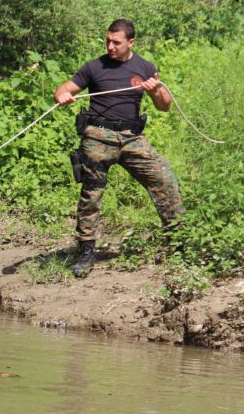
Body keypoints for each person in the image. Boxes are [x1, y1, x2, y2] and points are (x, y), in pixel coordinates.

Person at [53, 19, 184, 277]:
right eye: (108, 41)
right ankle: (87, 251)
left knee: (165, 179)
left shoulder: (144, 67)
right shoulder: (94, 67)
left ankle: (178, 242)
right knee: (91, 194)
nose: (111, 46)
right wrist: (62, 96)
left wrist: (155, 89)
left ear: (130, 43)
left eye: (117, 42)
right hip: (98, 137)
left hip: (132, 138)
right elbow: (63, 90)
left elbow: (165, 105)